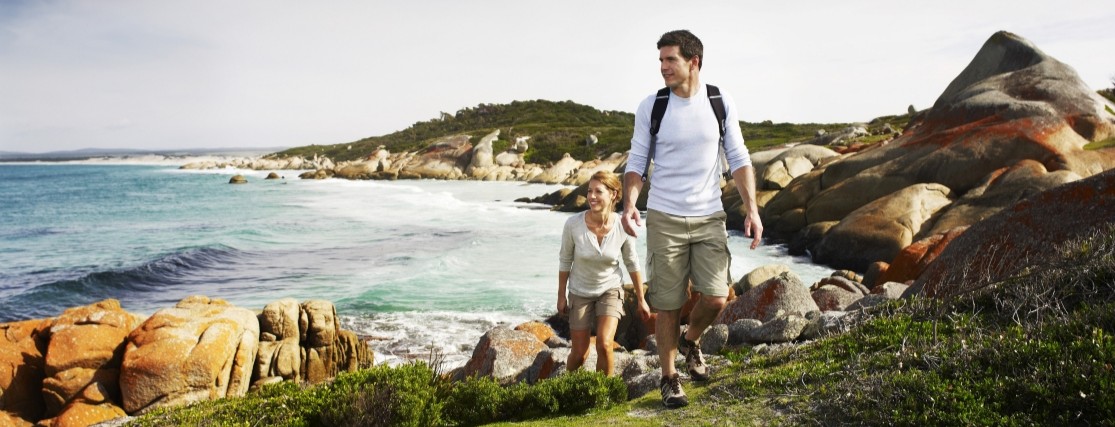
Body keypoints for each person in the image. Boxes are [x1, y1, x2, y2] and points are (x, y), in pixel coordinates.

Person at [620, 29, 763, 409]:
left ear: (693, 61)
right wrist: (630, 202)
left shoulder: (719, 101)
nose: (663, 68)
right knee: (667, 303)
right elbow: (637, 161)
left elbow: (739, 157)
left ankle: (691, 339)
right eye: (661, 61)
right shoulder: (652, 106)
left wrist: (752, 209)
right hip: (664, 215)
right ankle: (669, 378)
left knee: (716, 297)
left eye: (671, 60)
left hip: (709, 214)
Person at [558, 170, 648, 376]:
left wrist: (641, 298)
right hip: (580, 291)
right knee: (580, 353)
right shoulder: (573, 225)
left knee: (605, 344)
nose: (591, 196)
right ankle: (566, 386)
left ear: (614, 195)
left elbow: (632, 262)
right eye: (589, 191)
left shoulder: (622, 225)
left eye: (598, 191)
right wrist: (561, 295)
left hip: (610, 289)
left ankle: (604, 395)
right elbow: (565, 261)